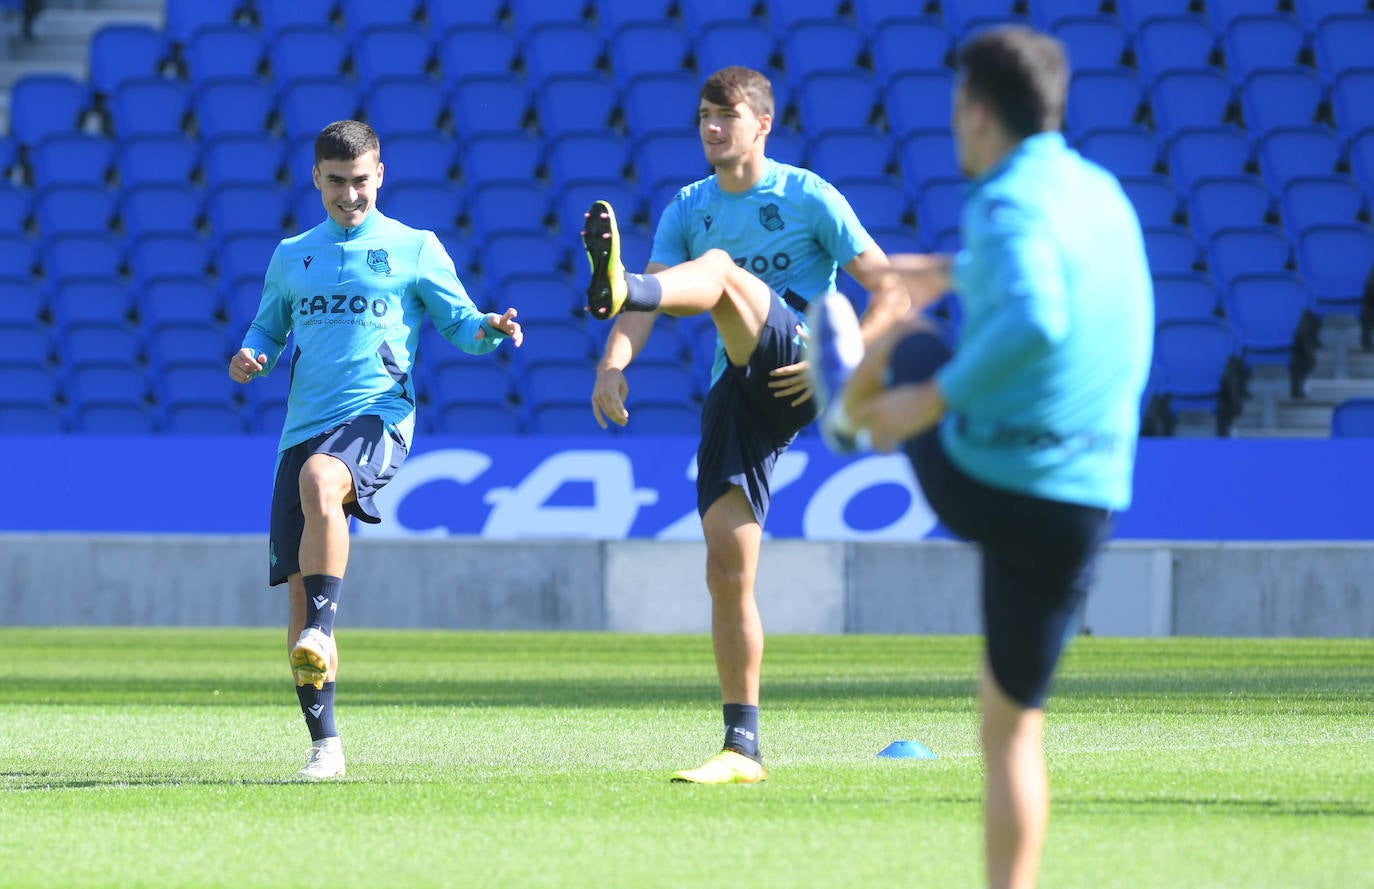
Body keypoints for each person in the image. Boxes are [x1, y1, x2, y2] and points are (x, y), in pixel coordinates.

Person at [807, 27, 1153, 889]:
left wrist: (931, 401)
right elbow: (1054, 279)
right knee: (1011, 724)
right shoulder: (1099, 192)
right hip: (1091, 491)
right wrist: (950, 271)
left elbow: (1037, 315)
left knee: (917, 349)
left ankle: (848, 414)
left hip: (997, 476)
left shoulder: (1002, 199)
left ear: (977, 112)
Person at [581, 65, 910, 784]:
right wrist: (613, 361)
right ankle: (742, 748)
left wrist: (847, 367)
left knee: (723, 270)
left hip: (809, 365)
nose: (711, 127)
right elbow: (647, 311)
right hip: (740, 384)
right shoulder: (689, 205)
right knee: (727, 566)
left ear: (763, 123)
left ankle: (624, 275)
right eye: (703, 115)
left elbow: (890, 290)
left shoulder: (806, 194)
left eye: (726, 115)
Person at [229, 120, 523, 780]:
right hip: (301, 426)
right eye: (336, 182)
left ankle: (323, 629)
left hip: (377, 416)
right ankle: (324, 744)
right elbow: (267, 331)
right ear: (316, 179)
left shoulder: (414, 248)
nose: (350, 195)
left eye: (361, 181)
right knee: (298, 596)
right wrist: (251, 357)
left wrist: (493, 329)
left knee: (322, 479)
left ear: (380, 175)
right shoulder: (292, 255)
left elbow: (462, 324)